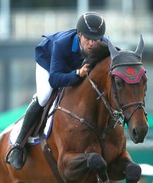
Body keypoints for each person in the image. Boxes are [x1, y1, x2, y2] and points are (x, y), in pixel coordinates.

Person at [6, 11, 108, 170]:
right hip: (48, 63)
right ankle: (18, 146)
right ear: (79, 34)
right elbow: (55, 79)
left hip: (74, 67)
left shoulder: (104, 44)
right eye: (88, 39)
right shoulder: (61, 44)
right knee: (44, 96)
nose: (92, 44)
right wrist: (77, 74)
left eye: (96, 40)